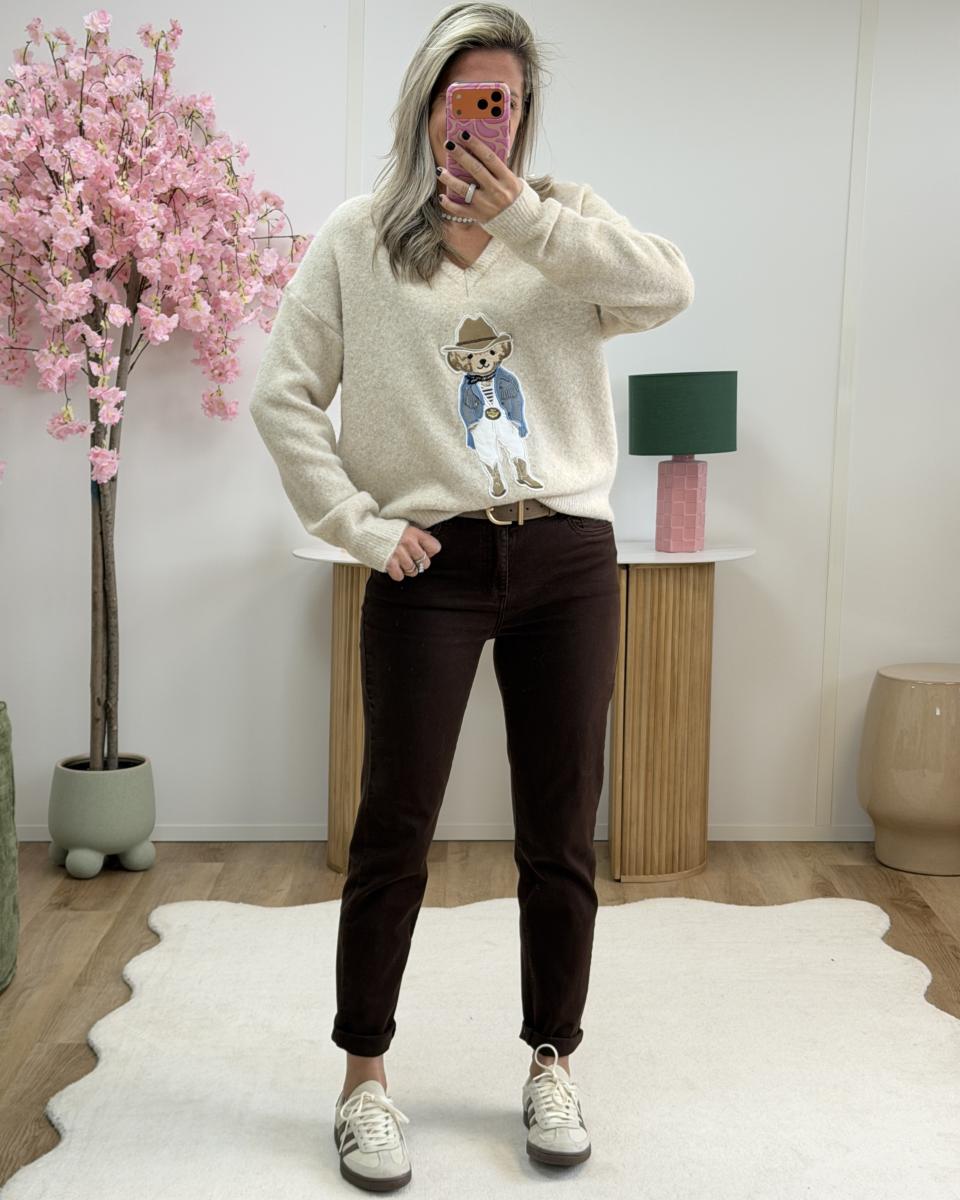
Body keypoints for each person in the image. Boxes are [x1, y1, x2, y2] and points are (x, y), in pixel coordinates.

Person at [249, 2, 694, 1191]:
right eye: (468, 98)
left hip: (567, 558)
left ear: (525, 114)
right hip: (428, 564)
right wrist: (358, 525)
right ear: (428, 106)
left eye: (506, 101)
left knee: (561, 827)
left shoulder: (567, 225)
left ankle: (553, 1059)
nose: (485, 120)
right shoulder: (358, 239)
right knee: (395, 825)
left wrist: (529, 221)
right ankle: (363, 1078)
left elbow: (668, 291)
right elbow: (283, 395)